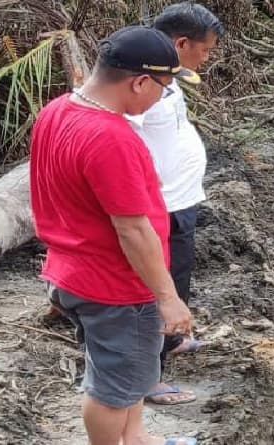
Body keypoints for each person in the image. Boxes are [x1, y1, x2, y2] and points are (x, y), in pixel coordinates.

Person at [30, 26, 197, 445]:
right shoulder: (112, 137)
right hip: (117, 286)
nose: (163, 97)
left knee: (124, 371)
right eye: (164, 87)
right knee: (111, 390)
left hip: (75, 269)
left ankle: (136, 439)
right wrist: (168, 297)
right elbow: (133, 228)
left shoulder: (59, 110)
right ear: (139, 81)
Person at [126, 2, 223, 406]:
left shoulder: (166, 76)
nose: (206, 59)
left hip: (179, 201)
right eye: (204, 50)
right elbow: (124, 145)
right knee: (152, 291)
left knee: (176, 280)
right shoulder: (140, 84)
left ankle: (170, 344)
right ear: (181, 42)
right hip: (158, 208)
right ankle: (146, 378)